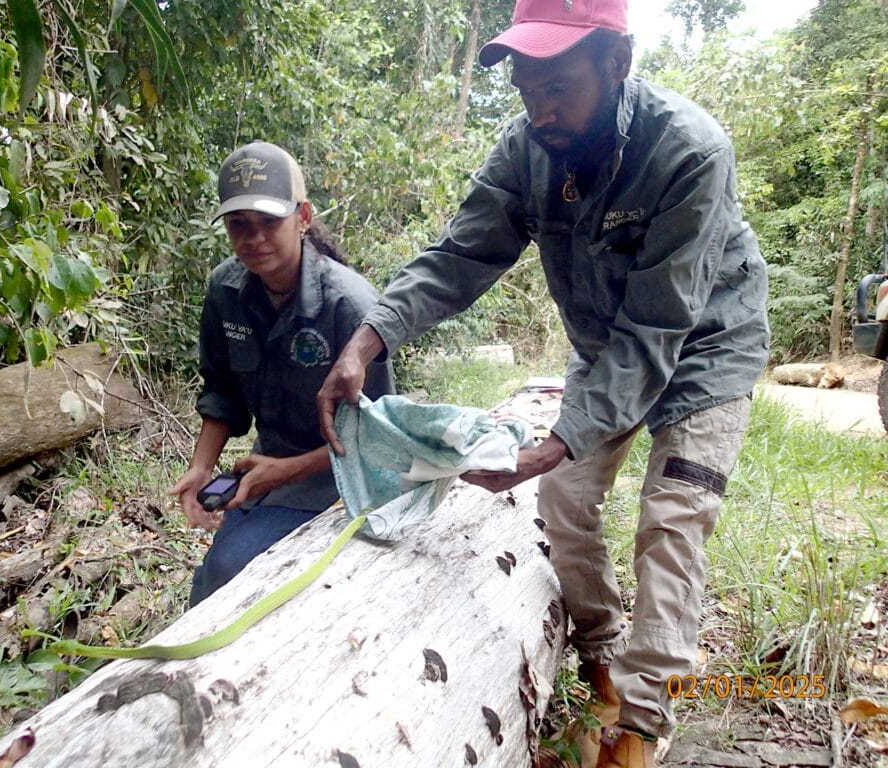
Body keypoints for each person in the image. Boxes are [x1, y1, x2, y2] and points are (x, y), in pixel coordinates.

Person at [316, 0, 769, 765]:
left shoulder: (689, 151)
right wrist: (368, 337)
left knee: (672, 520)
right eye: (526, 88)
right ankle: (602, 652)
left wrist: (553, 440)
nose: (541, 109)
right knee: (563, 498)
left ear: (617, 63)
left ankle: (640, 729)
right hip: (605, 344)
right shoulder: (526, 148)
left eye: (559, 86)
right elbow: (459, 257)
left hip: (705, 345)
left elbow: (658, 329)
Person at [170, 140, 394, 608]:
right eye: (239, 225)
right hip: (267, 469)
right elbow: (222, 393)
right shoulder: (225, 291)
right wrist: (201, 468)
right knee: (219, 578)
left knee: (234, 575)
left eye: (269, 222)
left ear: (303, 216)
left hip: (341, 480)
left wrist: (284, 473)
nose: (255, 239)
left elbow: (374, 437)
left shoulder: (349, 304)